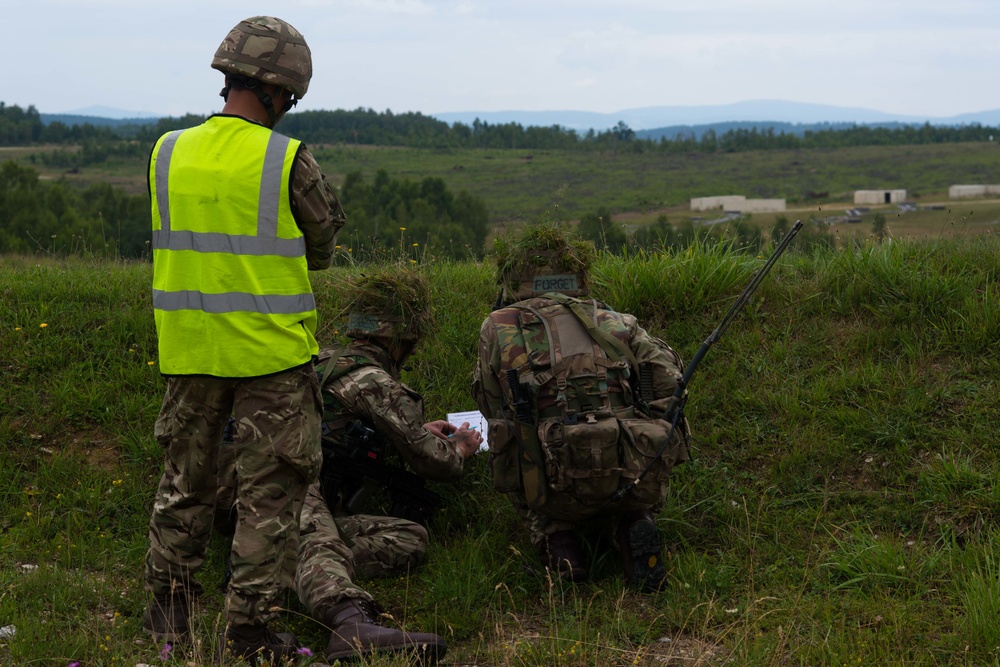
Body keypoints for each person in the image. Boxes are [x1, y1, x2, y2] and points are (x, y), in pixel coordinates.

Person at [142, 15, 345, 662]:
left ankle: (169, 622)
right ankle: (250, 633)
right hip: (272, 361)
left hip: (190, 351)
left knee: (184, 484)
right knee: (269, 495)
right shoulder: (288, 158)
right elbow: (322, 246)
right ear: (281, 92)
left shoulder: (166, 151)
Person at [217, 265, 480, 664]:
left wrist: (413, 430)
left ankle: (293, 569)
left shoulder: (319, 360)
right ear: (402, 342)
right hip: (282, 483)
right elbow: (435, 463)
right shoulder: (374, 381)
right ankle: (349, 621)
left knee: (410, 537)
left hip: (250, 488)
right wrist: (459, 447)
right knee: (320, 537)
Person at [472, 223, 691, 592]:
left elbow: (489, 400)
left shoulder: (498, 325)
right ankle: (631, 522)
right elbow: (669, 379)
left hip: (547, 479)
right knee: (626, 487)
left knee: (509, 436)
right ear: (577, 274)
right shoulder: (614, 320)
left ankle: (560, 543)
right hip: (626, 469)